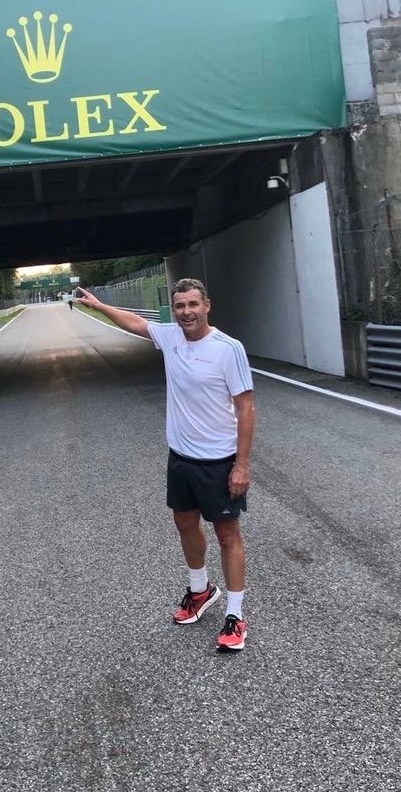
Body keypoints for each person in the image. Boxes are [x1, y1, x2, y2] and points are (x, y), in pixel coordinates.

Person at [76, 279, 255, 652]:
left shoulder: (228, 349)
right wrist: (99, 306)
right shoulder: (171, 337)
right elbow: (136, 323)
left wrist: (241, 464)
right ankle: (200, 590)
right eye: (180, 306)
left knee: (227, 536)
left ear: (207, 305)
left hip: (218, 461)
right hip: (181, 457)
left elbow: (246, 407)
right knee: (185, 524)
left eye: (193, 304)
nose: (186, 312)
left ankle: (235, 615)